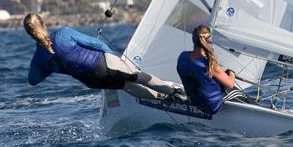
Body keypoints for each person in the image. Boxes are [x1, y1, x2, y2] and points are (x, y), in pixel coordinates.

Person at [23, 13, 180, 100]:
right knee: (138, 77)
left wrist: (48, 68)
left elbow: (33, 81)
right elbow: (96, 44)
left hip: (91, 80)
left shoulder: (39, 59)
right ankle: (174, 93)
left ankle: (162, 100)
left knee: (126, 86)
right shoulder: (63, 33)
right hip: (103, 64)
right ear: (43, 24)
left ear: (30, 34)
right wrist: (114, 58)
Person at [176, 25, 249, 114]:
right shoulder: (210, 65)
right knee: (239, 94)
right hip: (211, 107)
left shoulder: (182, 56)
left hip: (195, 101)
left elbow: (198, 73)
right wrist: (231, 73)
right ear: (209, 41)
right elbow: (230, 84)